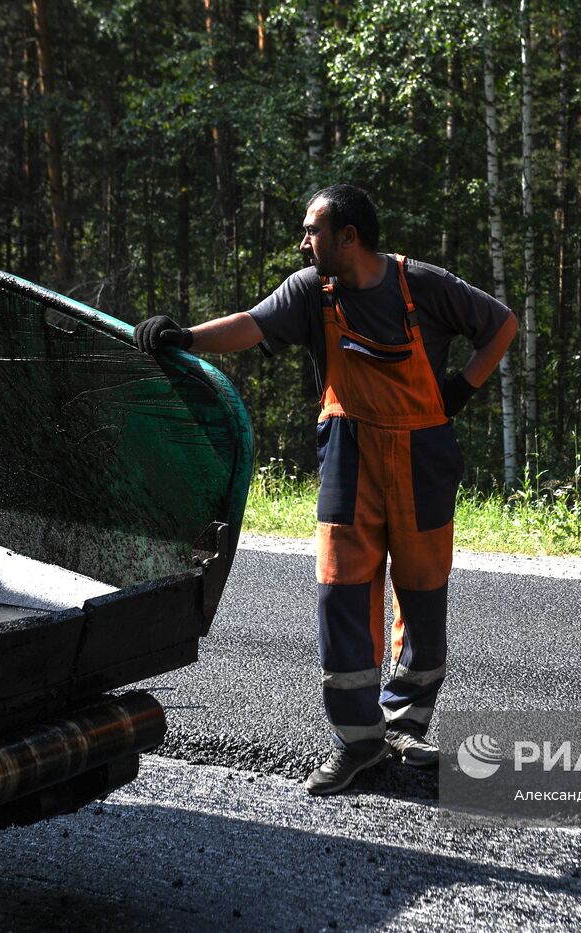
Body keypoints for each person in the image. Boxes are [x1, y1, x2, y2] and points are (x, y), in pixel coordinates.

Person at [135, 184, 517, 796]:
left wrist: (462, 390)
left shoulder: (424, 284)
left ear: (349, 237)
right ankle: (359, 742)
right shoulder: (312, 290)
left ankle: (404, 723)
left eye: (313, 230)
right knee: (342, 593)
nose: (303, 240)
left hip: (423, 457)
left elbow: (501, 324)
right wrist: (184, 338)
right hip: (349, 456)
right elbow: (250, 325)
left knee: (422, 596)